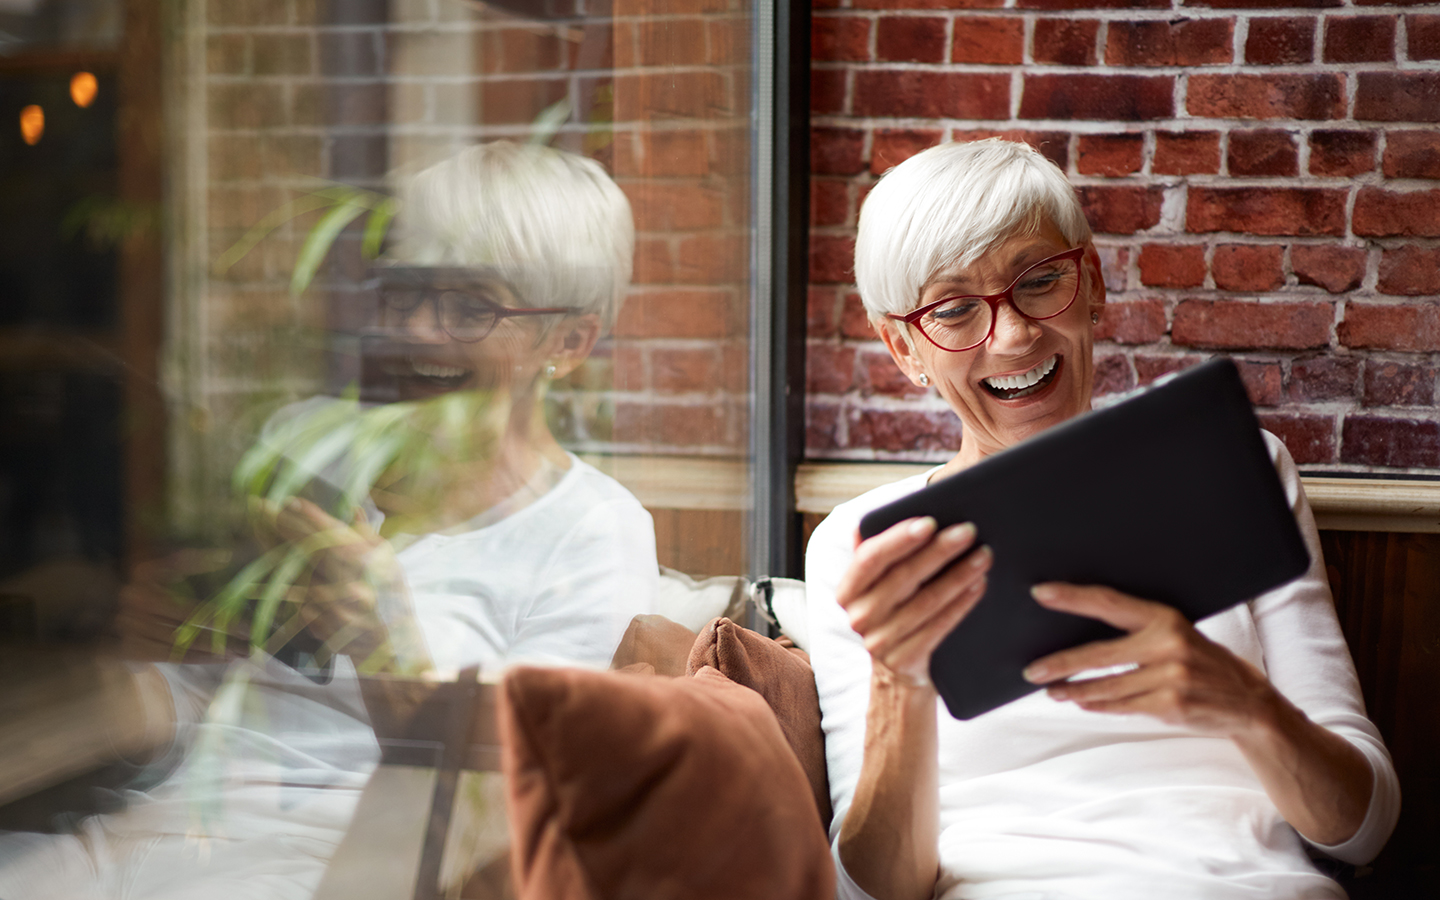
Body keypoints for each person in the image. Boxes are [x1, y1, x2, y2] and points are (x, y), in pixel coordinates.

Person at [0, 141, 658, 900]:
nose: (414, 331)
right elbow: (198, 708)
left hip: (340, 867)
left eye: (469, 306)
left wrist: (387, 647)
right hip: (157, 832)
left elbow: (504, 813)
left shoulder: (593, 533)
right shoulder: (306, 443)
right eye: (401, 294)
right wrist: (142, 666)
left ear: (569, 342)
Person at [805, 139, 1400, 900]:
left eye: (1040, 280)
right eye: (954, 310)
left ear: (1091, 284)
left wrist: (1245, 704)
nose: (1014, 336)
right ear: (903, 347)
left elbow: (1365, 827)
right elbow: (871, 891)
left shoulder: (1237, 468)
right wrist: (900, 681)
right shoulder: (863, 548)